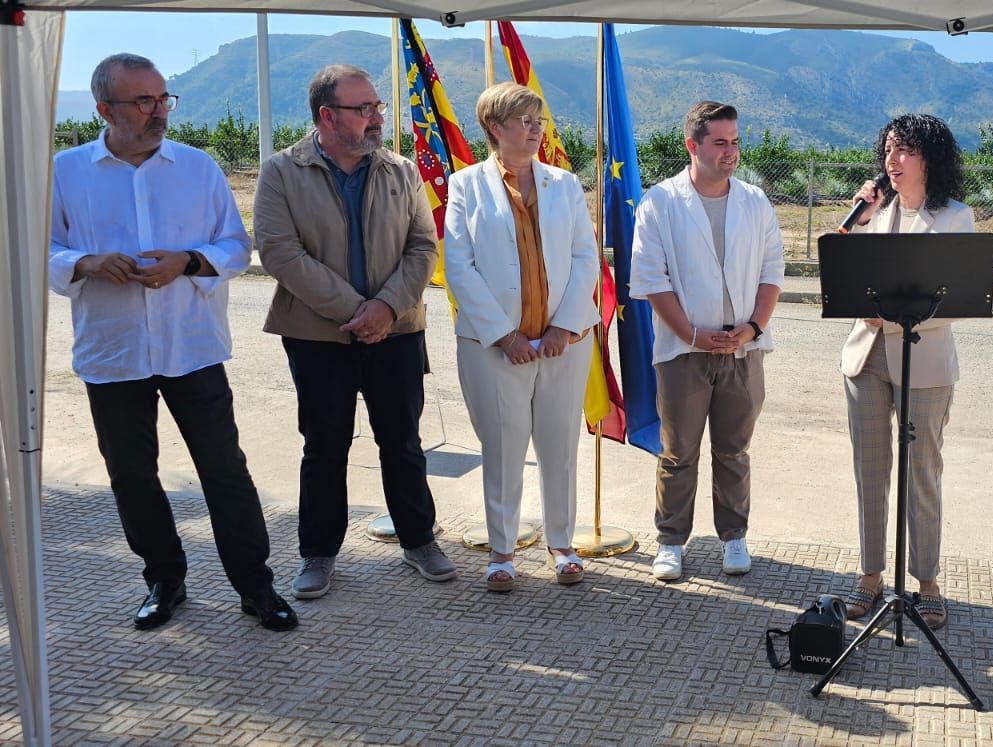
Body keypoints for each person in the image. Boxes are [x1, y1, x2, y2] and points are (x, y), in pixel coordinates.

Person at [48, 53, 297, 632]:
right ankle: (165, 580)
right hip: (114, 352)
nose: (159, 112)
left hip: (192, 347)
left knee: (224, 469)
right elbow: (39, 249)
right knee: (132, 474)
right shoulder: (65, 171)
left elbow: (236, 246)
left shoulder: (198, 167)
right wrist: (84, 262)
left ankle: (255, 585)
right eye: (143, 102)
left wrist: (188, 261)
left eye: (163, 99)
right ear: (104, 109)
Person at [254, 64, 457, 599]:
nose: (376, 118)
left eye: (377, 107)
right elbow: (279, 252)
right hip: (318, 337)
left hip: (397, 332)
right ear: (327, 115)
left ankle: (419, 540)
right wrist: (355, 310)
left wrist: (386, 308)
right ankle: (318, 554)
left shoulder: (401, 171)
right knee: (324, 447)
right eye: (363, 108)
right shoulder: (281, 172)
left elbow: (423, 247)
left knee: (404, 443)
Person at [443, 83, 600, 591]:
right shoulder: (465, 185)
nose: (536, 129)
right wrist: (504, 335)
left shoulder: (565, 184)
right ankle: (502, 552)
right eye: (525, 121)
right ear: (495, 128)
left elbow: (585, 259)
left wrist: (563, 325)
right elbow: (459, 268)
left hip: (563, 345)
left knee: (559, 446)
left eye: (539, 121)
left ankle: (562, 545)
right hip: (494, 348)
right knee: (504, 447)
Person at [630, 101, 784, 581]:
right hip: (683, 353)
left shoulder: (755, 202)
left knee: (734, 450)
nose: (731, 151)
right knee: (678, 453)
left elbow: (771, 272)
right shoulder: (660, 202)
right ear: (692, 145)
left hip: (744, 349)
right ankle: (671, 541)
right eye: (720, 142)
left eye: (735, 141)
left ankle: (734, 538)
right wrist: (692, 333)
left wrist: (753, 327)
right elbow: (652, 279)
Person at [838, 113, 975, 630]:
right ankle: (870, 577)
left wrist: (894, 320)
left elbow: (959, 302)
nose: (891, 162)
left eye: (904, 151)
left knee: (922, 474)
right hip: (865, 359)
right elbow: (844, 277)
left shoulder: (955, 218)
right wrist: (862, 218)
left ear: (929, 159)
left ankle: (927, 582)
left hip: (926, 362)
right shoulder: (876, 211)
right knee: (870, 473)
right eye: (889, 150)